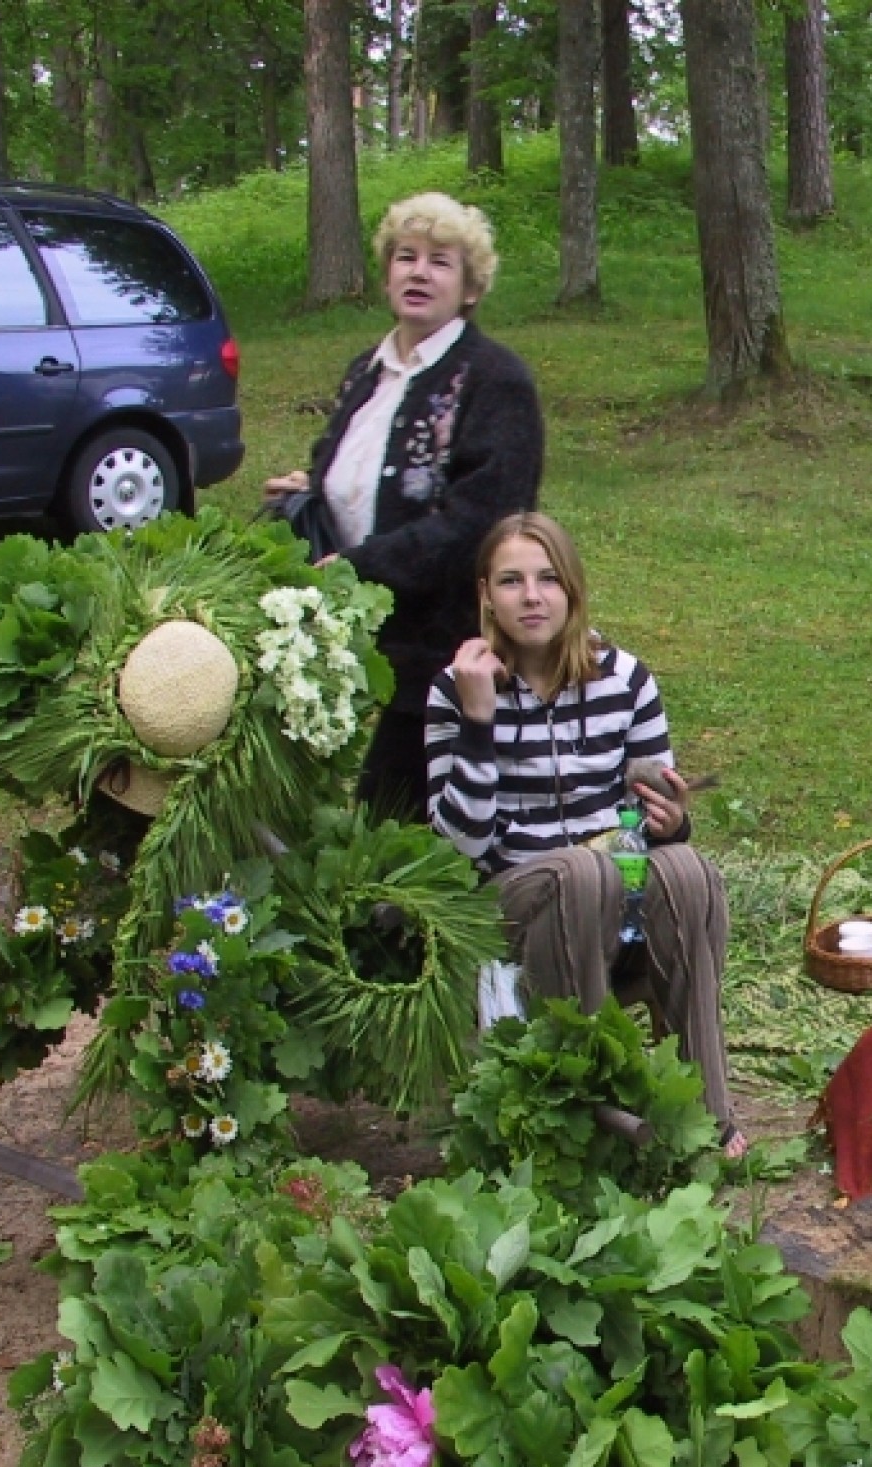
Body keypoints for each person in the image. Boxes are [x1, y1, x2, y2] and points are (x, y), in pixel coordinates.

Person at [424, 513, 745, 1155]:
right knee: (581, 871)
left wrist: (673, 822)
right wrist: (480, 720)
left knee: (689, 871)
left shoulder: (625, 680)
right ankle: (591, 1104)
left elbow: (659, 827)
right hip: (510, 912)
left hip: (614, 900)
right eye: (512, 581)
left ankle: (708, 1113)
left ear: (572, 589)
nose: (533, 596)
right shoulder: (455, 690)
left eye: (548, 579)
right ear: (487, 593)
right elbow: (456, 850)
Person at [264, 192, 543, 821]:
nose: (419, 273)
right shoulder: (369, 369)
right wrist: (308, 490)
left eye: (441, 262)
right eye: (406, 257)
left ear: (470, 289)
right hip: (352, 629)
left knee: (399, 817)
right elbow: (364, 471)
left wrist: (356, 565)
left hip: (442, 645)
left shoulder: (496, 380)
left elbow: (482, 522)